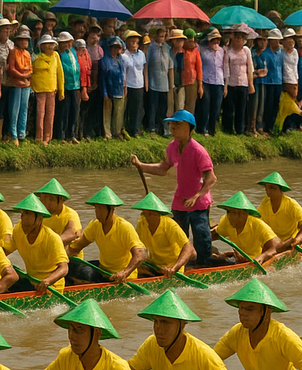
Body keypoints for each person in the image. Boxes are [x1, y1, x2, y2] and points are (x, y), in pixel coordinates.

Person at [130, 109, 216, 266]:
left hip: (198, 203)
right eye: (172, 126)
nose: (173, 129)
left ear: (190, 129)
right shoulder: (172, 147)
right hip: (180, 201)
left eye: (178, 126)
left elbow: (211, 178)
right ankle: (179, 265)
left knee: (202, 236)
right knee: (177, 237)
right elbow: (163, 168)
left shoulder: (198, 151)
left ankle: (204, 266)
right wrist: (141, 166)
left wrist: (196, 196)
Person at [67, 187, 147, 283]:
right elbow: (75, 248)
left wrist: (125, 272)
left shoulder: (124, 227)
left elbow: (141, 254)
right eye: (96, 208)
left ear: (111, 210)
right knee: (72, 266)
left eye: (101, 209)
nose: (98, 213)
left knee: (86, 273)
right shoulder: (95, 225)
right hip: (104, 271)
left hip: (122, 277)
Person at [132, 192, 195, 276]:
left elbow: (188, 247)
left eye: (150, 214)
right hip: (154, 265)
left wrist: (174, 268)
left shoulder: (170, 225)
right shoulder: (141, 222)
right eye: (144, 213)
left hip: (170, 268)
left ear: (158, 214)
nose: (146, 217)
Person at [212, 192, 281, 266]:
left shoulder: (257, 225)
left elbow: (276, 246)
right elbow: (215, 235)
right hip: (238, 258)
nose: (229, 217)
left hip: (254, 261)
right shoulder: (226, 220)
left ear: (243, 214)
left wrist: (262, 256)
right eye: (228, 212)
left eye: (234, 213)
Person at [255, 172, 302, 250]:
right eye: (267, 187)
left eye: (272, 188)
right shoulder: (265, 202)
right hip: (273, 242)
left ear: (280, 190)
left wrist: (297, 240)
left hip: (289, 241)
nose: (268, 191)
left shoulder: (291, 204)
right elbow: (256, 220)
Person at [34, 178, 82, 256]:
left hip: (70, 259)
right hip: (48, 259)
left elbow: (73, 234)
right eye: (44, 198)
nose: (46, 203)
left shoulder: (70, 214)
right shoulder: (39, 216)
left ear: (61, 200)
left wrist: (48, 244)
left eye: (51, 199)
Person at [30, 35, 64, 145]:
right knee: (40, 114)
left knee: (50, 114)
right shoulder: (37, 58)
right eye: (47, 44)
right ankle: (39, 137)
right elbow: (33, 74)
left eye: (52, 44)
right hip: (40, 90)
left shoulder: (56, 56)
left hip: (52, 90)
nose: (50, 46)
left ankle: (48, 137)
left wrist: (61, 90)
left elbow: (60, 73)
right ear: (42, 46)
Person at [223, 28, 255, 135]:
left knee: (241, 108)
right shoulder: (228, 51)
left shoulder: (246, 51)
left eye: (241, 38)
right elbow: (226, 69)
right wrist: (226, 85)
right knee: (229, 108)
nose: (239, 40)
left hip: (243, 82)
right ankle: (227, 129)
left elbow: (250, 68)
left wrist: (251, 84)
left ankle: (240, 130)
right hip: (231, 82)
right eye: (237, 37)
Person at [5, 29, 32, 145]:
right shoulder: (13, 52)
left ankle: (22, 133)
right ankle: (13, 133)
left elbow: (31, 69)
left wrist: (25, 75)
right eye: (22, 39)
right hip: (16, 83)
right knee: (14, 109)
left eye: (26, 39)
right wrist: (22, 75)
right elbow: (11, 69)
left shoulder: (27, 54)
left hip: (26, 83)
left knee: (24, 108)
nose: (25, 41)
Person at [55, 32, 83, 142]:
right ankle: (61, 135)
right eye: (64, 43)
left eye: (68, 42)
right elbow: (63, 69)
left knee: (74, 110)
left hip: (75, 86)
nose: (67, 44)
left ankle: (72, 134)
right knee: (63, 111)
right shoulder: (59, 54)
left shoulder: (73, 53)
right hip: (65, 86)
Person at [121, 31, 147, 137]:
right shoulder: (124, 55)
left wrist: (146, 82)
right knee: (128, 108)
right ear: (127, 42)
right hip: (129, 84)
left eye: (136, 42)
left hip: (139, 84)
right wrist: (125, 85)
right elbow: (123, 72)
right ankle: (126, 128)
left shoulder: (141, 54)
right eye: (132, 42)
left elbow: (144, 68)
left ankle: (136, 129)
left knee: (138, 108)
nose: (134, 44)